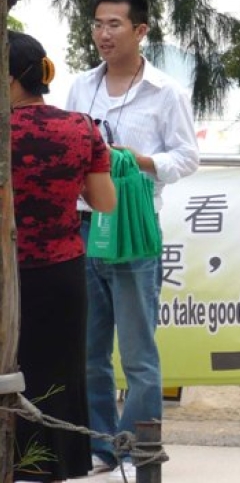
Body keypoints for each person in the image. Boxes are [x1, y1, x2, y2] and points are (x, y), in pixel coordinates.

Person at [65, 0, 200, 482]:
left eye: (115, 24)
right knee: (88, 349)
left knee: (139, 354)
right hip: (83, 225)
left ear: (140, 31)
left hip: (135, 228)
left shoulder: (167, 92)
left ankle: (136, 449)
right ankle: (101, 444)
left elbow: (186, 158)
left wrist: (135, 160)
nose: (103, 33)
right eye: (98, 23)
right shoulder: (81, 86)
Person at [8, 31, 116, 483]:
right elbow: (105, 202)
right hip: (62, 271)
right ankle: (53, 468)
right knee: (59, 373)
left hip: (7, 276)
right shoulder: (81, 128)